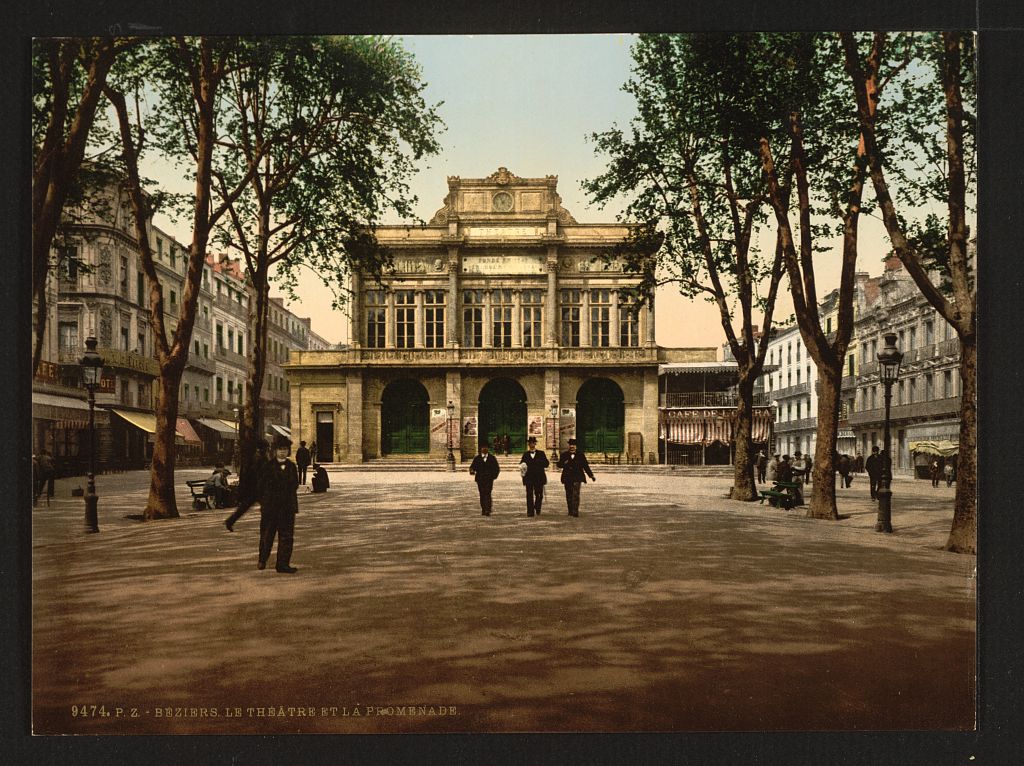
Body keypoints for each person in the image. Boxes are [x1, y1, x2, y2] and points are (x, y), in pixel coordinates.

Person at [259, 435, 300, 573]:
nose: (282, 452)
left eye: (285, 449)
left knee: (287, 536)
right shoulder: (268, 466)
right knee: (267, 535)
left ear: (288, 451)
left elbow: (295, 484)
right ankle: (262, 559)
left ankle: (283, 564)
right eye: (279, 449)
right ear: (275, 451)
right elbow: (263, 486)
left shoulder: (292, 467)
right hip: (271, 507)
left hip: (287, 507)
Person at [225, 439, 270, 531]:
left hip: (255, 488)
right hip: (257, 488)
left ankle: (230, 521)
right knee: (267, 507)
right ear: (262, 448)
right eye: (266, 448)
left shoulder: (258, 457)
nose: (267, 450)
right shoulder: (259, 458)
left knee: (244, 507)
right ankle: (268, 526)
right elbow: (259, 473)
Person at [556, 438, 596, 517]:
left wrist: (591, 475)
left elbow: (585, 466)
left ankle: (575, 511)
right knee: (569, 494)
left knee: (576, 494)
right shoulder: (564, 455)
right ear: (569, 446)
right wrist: (564, 463)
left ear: (576, 446)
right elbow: (559, 465)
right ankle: (570, 510)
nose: (572, 446)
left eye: (573, 445)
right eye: (570, 445)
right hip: (567, 478)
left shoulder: (581, 455)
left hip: (578, 477)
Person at [519, 435, 549, 517]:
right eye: (530, 443)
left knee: (539, 494)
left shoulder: (541, 453)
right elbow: (521, 465)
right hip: (529, 478)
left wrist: (540, 462)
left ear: (535, 444)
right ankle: (530, 511)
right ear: (528, 444)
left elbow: (546, 464)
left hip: (539, 478)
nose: (531, 445)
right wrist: (522, 467)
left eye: (533, 443)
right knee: (529, 495)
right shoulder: (525, 454)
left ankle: (537, 506)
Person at [469, 441, 500, 515]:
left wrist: (493, 476)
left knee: (488, 493)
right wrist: (472, 471)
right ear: (480, 449)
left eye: (485, 447)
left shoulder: (492, 458)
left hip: (489, 479)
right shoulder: (477, 458)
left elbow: (497, 468)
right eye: (483, 447)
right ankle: (483, 508)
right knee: (482, 494)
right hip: (480, 479)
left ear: (488, 449)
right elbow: (472, 467)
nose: (484, 449)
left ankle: (488, 509)